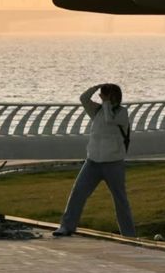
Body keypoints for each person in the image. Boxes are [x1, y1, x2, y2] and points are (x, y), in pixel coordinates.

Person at [52, 83, 136, 237]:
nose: (100, 96)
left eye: (104, 94)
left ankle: (129, 234)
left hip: (113, 163)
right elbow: (83, 98)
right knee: (78, 193)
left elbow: (109, 119)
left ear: (113, 96)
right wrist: (96, 87)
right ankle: (66, 226)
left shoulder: (122, 113)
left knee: (120, 199)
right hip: (93, 162)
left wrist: (106, 102)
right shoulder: (97, 111)